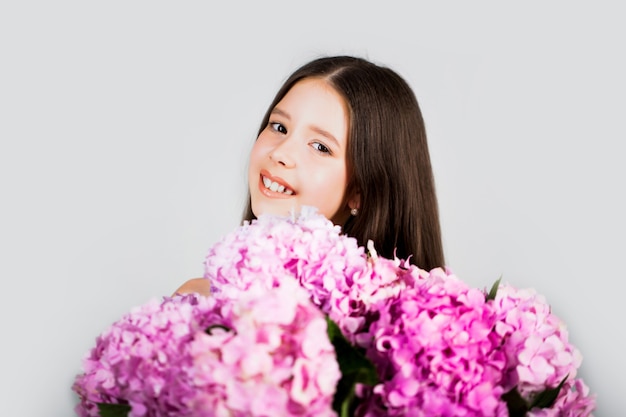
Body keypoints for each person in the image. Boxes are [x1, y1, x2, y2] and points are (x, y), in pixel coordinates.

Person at [174, 55, 445, 296]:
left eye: (320, 147)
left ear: (359, 191)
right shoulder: (197, 301)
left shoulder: (380, 325)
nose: (281, 153)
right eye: (279, 127)